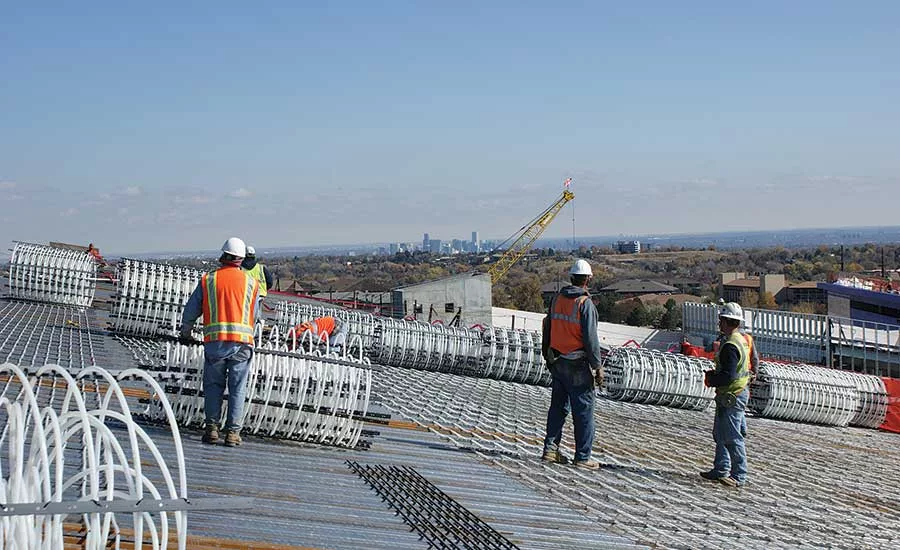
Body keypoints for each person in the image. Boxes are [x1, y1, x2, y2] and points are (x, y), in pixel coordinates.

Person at [181, 237, 260, 447]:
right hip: (242, 343)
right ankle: (233, 433)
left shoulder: (209, 280)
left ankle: (211, 429)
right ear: (241, 259)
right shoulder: (252, 283)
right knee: (238, 388)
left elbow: (191, 310)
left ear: (223, 256)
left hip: (215, 343)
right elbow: (255, 316)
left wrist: (186, 333)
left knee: (213, 386)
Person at [540, 258, 604, 470]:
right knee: (583, 411)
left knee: (558, 408)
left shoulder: (557, 299)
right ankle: (583, 457)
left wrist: (546, 354)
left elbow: (547, 325)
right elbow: (591, 340)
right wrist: (597, 367)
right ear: (588, 279)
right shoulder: (585, 305)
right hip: (577, 365)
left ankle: (550, 450)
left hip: (557, 361)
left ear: (571, 278)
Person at [701, 302, 751, 487]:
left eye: (721, 320)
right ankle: (721, 469)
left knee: (732, 437)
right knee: (721, 434)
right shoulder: (741, 339)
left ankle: (738, 475)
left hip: (733, 395)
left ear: (728, 321)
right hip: (732, 393)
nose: (719, 324)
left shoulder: (731, 345)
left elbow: (728, 375)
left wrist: (712, 379)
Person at [242, 246, 274, 314]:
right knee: (257, 315)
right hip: (260, 295)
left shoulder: (240, 269)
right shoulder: (261, 268)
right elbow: (270, 282)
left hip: (245, 296)